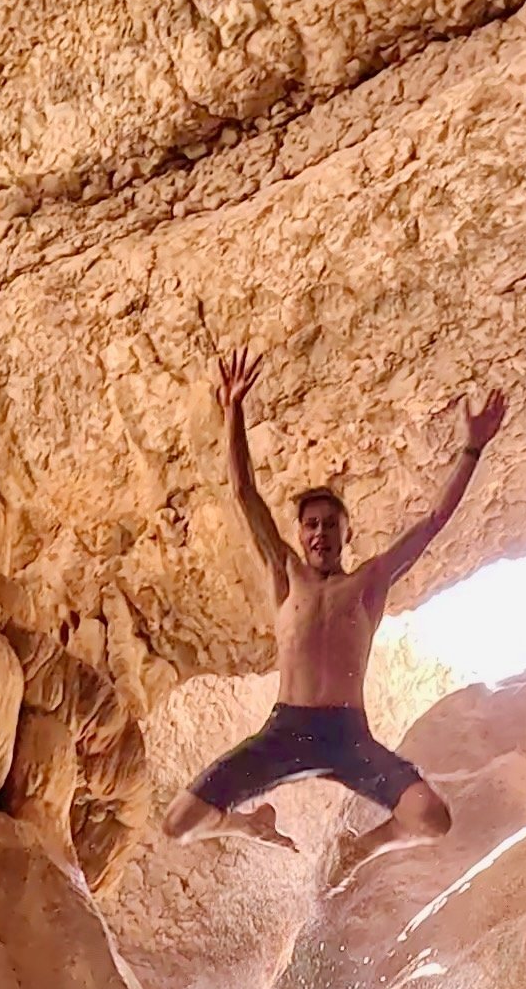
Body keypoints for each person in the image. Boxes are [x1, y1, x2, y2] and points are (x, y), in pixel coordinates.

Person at [162, 348, 507, 886]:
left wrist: (471, 448)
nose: (320, 534)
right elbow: (244, 492)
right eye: (311, 526)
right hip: (285, 731)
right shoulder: (286, 576)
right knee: (179, 823)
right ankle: (249, 827)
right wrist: (233, 411)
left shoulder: (368, 584)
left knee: (432, 818)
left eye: (330, 525)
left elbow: (434, 521)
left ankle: (359, 850)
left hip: (347, 736)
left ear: (348, 533)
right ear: (301, 536)